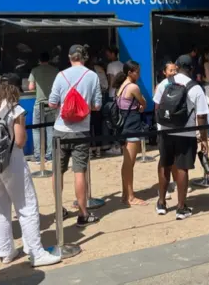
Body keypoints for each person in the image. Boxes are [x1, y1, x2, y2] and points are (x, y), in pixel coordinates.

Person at [0, 74, 62, 266]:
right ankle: (36, 252)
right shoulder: (15, 109)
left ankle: (5, 250)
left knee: (0, 206)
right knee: (27, 206)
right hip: (11, 162)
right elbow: (20, 141)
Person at [49, 44, 102, 226]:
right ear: (84, 57)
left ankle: (59, 210)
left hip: (60, 130)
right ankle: (83, 213)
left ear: (70, 57)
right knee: (80, 172)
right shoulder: (92, 76)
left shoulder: (60, 75)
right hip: (81, 130)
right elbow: (97, 105)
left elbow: (52, 103)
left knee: (58, 172)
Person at [154, 55, 209, 219]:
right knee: (182, 168)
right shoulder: (195, 87)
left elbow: (157, 106)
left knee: (165, 163)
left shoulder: (165, 83)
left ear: (176, 66)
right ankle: (181, 207)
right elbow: (202, 116)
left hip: (164, 130)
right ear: (191, 69)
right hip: (186, 132)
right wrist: (204, 138)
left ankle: (162, 203)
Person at [113, 60, 147, 206]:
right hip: (132, 125)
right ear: (130, 72)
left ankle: (125, 193)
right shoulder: (133, 87)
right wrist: (141, 105)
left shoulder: (121, 86)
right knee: (129, 163)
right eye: (137, 72)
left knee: (126, 162)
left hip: (123, 126)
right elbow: (144, 102)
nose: (139, 74)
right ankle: (130, 196)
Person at [154, 60, 178, 199]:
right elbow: (157, 107)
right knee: (164, 158)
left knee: (175, 157)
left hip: (177, 126)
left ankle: (175, 182)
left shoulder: (180, 84)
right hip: (164, 127)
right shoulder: (161, 86)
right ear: (164, 72)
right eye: (170, 70)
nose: (173, 72)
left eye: (175, 70)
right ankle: (163, 188)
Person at [29, 52, 59, 163]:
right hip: (52, 104)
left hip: (39, 105)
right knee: (50, 129)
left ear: (39, 60)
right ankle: (50, 156)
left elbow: (31, 87)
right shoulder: (55, 70)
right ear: (49, 59)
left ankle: (38, 156)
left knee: (36, 130)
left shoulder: (34, 70)